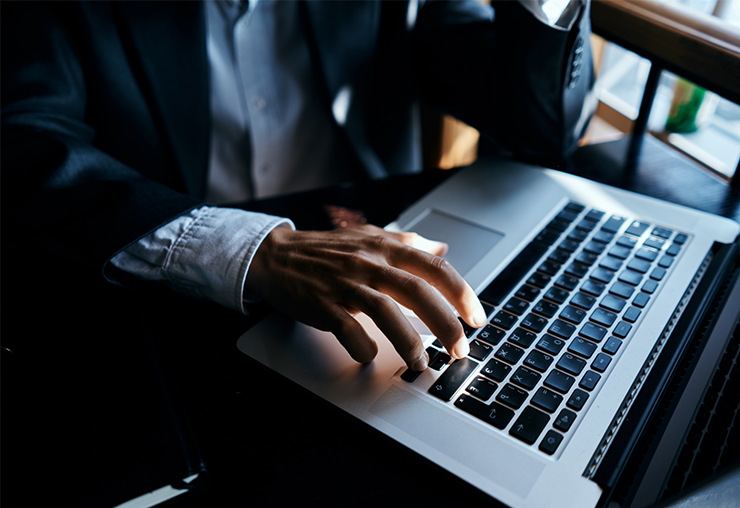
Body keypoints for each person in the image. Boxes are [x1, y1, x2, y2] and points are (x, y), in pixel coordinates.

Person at [0, 0, 595, 372]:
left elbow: (540, 130)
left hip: (391, 257)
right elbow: (24, 140)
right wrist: (251, 250)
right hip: (174, 296)